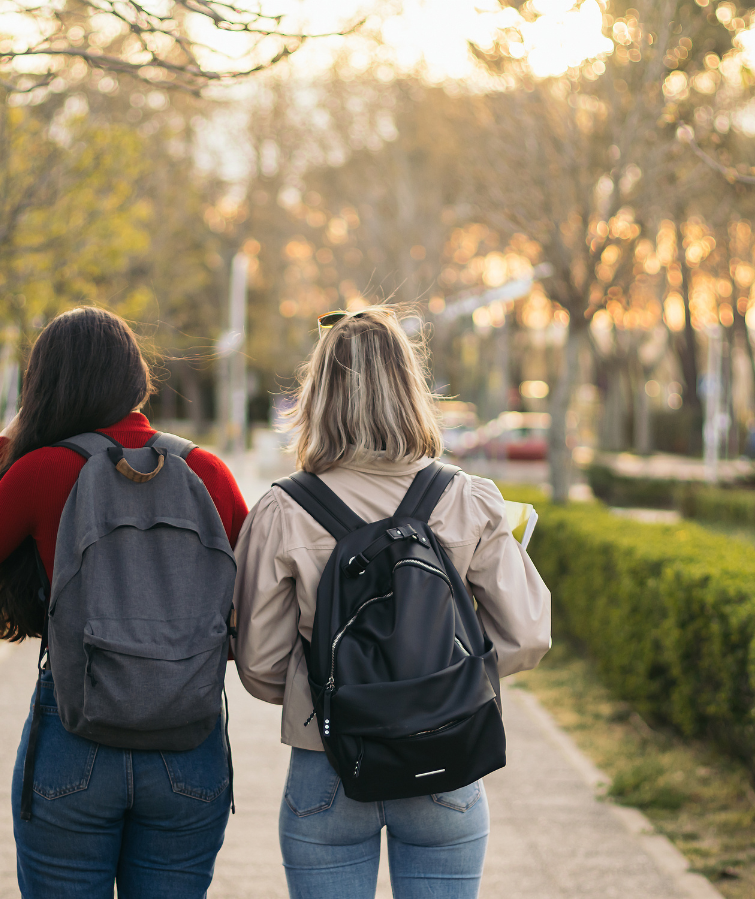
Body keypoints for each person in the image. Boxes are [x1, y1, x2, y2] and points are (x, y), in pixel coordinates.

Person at [231, 306, 551, 899]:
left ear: (320, 396)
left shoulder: (282, 510)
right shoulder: (466, 499)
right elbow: (528, 635)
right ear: (410, 389)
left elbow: (259, 664)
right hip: (445, 758)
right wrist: (446, 680)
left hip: (327, 759)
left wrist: (335, 691)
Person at [0, 307, 248, 899]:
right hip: (189, 745)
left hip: (76, 737)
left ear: (44, 385)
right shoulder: (208, 472)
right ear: (136, 378)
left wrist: (6, 445)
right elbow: (253, 604)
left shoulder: (42, 471)